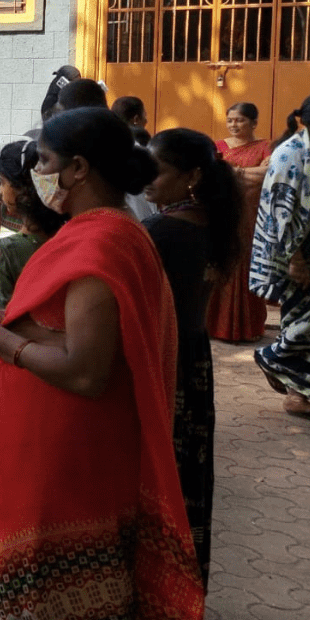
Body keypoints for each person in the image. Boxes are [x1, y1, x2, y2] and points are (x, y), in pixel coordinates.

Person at [0, 107, 205, 620]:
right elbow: (71, 334)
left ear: (79, 168)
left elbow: (86, 371)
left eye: (44, 161)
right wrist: (2, 319)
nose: (37, 174)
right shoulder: (103, 232)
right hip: (61, 455)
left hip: (66, 469)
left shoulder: (101, 243)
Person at [143, 128, 242, 586]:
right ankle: (181, 576)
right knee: (186, 472)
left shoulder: (162, 231)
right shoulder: (212, 222)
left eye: (157, 170)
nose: (146, 178)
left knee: (156, 470)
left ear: (192, 176)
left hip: (163, 358)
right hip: (194, 362)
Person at [0, 140, 67, 400]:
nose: (0, 191)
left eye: (3, 182)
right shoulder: (71, 239)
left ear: (21, 189)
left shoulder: (2, 252)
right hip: (61, 364)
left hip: (17, 367)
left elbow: (3, 322)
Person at [252, 96, 310, 415]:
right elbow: (282, 212)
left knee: (299, 320)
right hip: (297, 251)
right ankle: (275, 358)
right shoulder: (291, 154)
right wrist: (295, 259)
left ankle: (299, 391)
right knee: (300, 320)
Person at [208, 102, 273, 342]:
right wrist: (251, 173)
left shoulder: (266, 147)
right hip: (222, 215)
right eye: (230, 120)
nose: (234, 125)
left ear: (254, 123)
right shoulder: (217, 147)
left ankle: (248, 327)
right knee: (221, 263)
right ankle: (216, 326)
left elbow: (269, 176)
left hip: (252, 216)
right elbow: (213, 177)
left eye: (240, 120)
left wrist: (234, 172)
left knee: (247, 267)